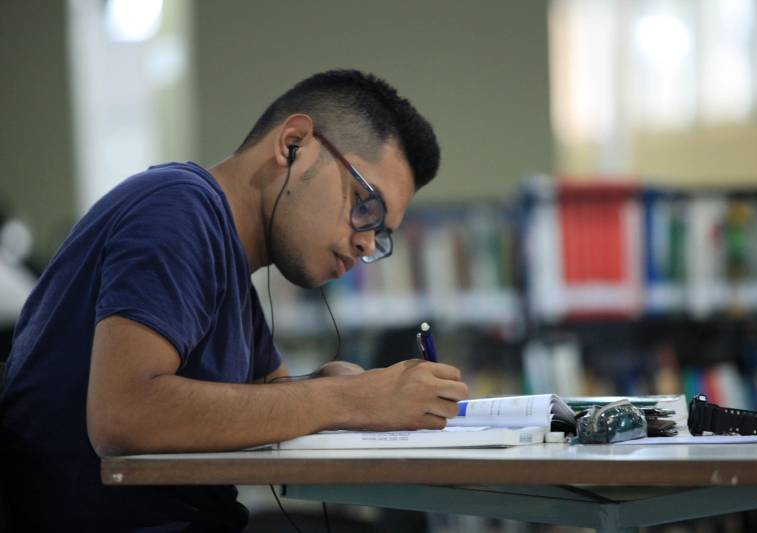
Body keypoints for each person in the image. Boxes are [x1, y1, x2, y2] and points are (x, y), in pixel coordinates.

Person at [0, 69, 469, 532]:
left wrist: (336, 386)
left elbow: (267, 401)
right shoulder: (176, 210)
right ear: (293, 144)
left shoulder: (231, 262)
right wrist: (348, 399)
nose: (368, 243)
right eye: (366, 205)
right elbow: (122, 416)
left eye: (381, 233)